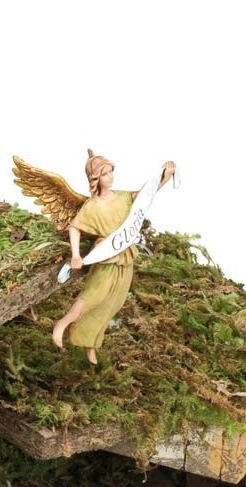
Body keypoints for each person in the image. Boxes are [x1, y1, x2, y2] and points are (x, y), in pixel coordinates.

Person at [51, 153, 177, 365]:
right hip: (106, 257)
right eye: (104, 174)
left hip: (125, 256)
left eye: (111, 172)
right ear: (95, 179)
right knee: (94, 296)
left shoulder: (124, 197)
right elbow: (75, 227)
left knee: (113, 302)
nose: (110, 177)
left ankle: (91, 343)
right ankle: (62, 324)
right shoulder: (92, 206)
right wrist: (76, 255)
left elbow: (146, 194)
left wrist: (165, 176)